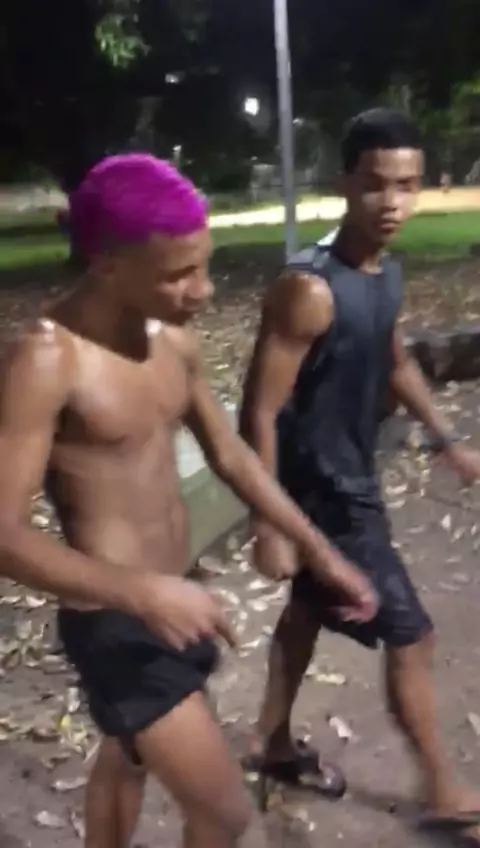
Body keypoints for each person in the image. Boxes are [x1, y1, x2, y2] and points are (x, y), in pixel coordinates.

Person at [0, 153, 378, 848]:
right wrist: (144, 594)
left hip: (173, 598)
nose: (203, 290)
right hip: (113, 621)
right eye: (178, 274)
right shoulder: (47, 360)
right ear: (107, 265)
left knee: (129, 755)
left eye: (205, 265)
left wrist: (320, 552)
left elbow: (230, 455)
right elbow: (3, 532)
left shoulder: (173, 338)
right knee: (224, 814)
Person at [240, 108, 480, 835]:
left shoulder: (384, 273)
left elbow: (394, 360)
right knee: (411, 633)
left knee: (307, 613)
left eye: (407, 185)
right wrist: (268, 524)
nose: (392, 203)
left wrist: (449, 440)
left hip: (353, 473)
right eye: (376, 184)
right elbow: (258, 412)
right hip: (325, 494)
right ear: (344, 183)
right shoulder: (309, 289)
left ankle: (272, 742)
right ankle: (444, 790)